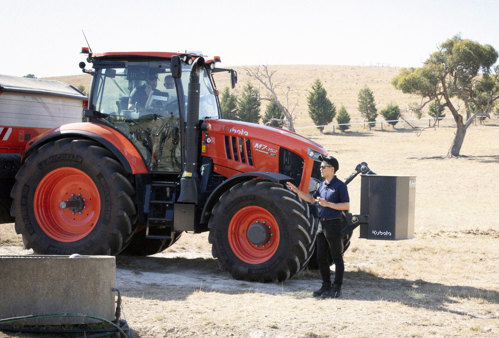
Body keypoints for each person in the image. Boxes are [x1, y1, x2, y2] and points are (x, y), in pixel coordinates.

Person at [286, 155, 350, 298]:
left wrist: (328, 204)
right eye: (320, 167)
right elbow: (311, 199)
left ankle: (337, 287)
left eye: (323, 167)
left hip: (334, 223)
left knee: (336, 257)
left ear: (332, 169)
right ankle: (325, 285)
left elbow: (346, 205)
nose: (320, 169)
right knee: (321, 257)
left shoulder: (340, 186)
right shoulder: (322, 185)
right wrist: (297, 191)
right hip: (321, 224)